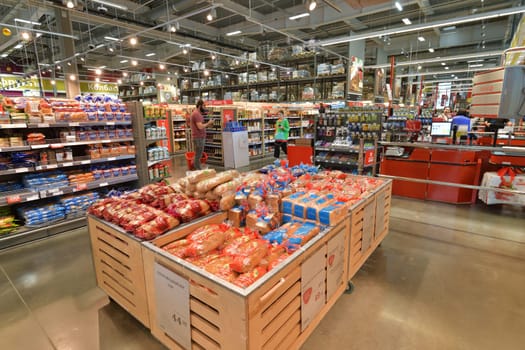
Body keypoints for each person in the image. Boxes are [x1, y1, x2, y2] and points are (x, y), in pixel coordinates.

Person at [189, 100, 213, 170]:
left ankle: (194, 168)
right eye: (204, 106)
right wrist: (209, 123)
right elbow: (200, 126)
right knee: (198, 155)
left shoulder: (197, 113)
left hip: (199, 137)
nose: (205, 107)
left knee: (198, 154)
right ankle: (198, 170)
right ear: (200, 106)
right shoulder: (196, 114)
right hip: (198, 138)